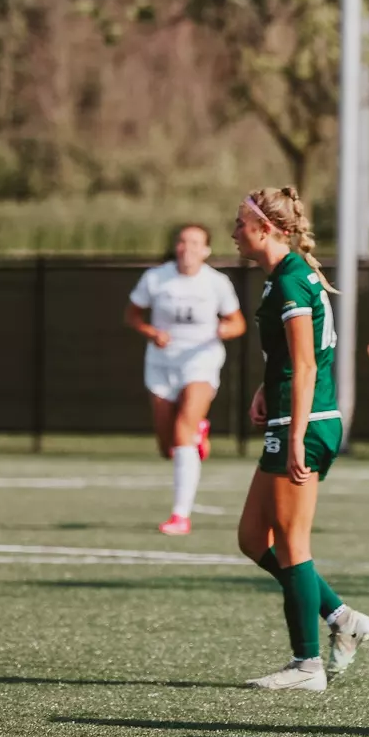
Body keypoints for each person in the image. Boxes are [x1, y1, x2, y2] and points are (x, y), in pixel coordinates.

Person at [230, 187, 369, 691]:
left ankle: (306, 665)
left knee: (292, 545)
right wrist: (263, 390)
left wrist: (295, 435)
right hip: (292, 415)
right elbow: (293, 360)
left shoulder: (291, 280)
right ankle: (340, 616)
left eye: (240, 223)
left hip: (307, 422)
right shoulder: (283, 278)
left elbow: (309, 363)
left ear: (266, 228)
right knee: (253, 538)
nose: (233, 232)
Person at [125, 223, 247, 536]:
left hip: (201, 363)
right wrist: (152, 333)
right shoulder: (156, 278)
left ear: (206, 250)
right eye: (182, 241)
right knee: (167, 446)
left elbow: (238, 324)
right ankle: (197, 434)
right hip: (161, 365)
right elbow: (132, 315)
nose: (187, 248)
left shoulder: (216, 283)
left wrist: (224, 330)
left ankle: (180, 516)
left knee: (182, 433)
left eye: (195, 242)